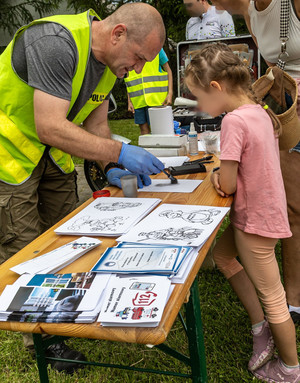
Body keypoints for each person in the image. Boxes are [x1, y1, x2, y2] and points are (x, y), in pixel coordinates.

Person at [0, 2, 165, 372]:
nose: (138, 69)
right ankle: (42, 341)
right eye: (139, 58)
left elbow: (97, 127)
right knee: (24, 245)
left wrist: (112, 166)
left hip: (52, 155)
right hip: (7, 152)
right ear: (118, 33)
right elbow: (50, 126)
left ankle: (65, 314)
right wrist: (122, 150)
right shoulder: (55, 42)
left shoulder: (108, 66)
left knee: (67, 240)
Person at [185, 42, 300, 382]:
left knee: (274, 297)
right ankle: (258, 326)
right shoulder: (258, 110)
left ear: (216, 88)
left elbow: (230, 183)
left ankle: (291, 369)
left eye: (199, 97)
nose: (199, 106)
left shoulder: (234, 122)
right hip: (266, 213)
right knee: (223, 256)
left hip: (255, 222)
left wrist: (218, 176)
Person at [211, 0, 300, 325]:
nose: (218, 6)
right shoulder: (248, 11)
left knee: (295, 207)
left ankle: (290, 300)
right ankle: (292, 298)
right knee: (293, 206)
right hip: (285, 108)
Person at [125, 48, 173, 135]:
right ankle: (145, 149)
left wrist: (170, 93)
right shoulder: (130, 51)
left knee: (158, 132)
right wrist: (129, 101)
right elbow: (129, 80)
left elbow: (168, 71)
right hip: (138, 101)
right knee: (144, 131)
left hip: (156, 100)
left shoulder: (157, 49)